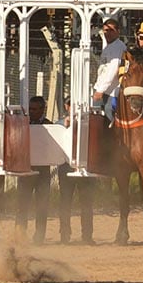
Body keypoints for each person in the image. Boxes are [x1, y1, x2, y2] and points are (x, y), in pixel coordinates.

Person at [57, 97, 95, 244]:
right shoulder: (59, 124)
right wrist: (65, 125)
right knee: (65, 201)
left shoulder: (88, 124)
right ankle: (64, 235)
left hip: (85, 167)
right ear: (67, 107)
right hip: (66, 166)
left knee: (86, 202)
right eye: (72, 106)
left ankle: (87, 235)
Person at [17, 96, 53, 244]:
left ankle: (39, 236)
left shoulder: (49, 126)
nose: (32, 112)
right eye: (30, 109)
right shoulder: (23, 124)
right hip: (26, 170)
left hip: (43, 172)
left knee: (41, 205)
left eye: (35, 109)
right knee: (22, 205)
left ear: (42, 110)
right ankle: (20, 235)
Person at [93, 16, 127, 123]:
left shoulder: (118, 47)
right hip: (102, 89)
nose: (108, 33)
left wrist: (101, 90)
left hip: (111, 91)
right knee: (97, 118)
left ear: (118, 31)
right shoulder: (108, 47)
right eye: (106, 30)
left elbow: (113, 69)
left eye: (111, 30)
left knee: (110, 117)